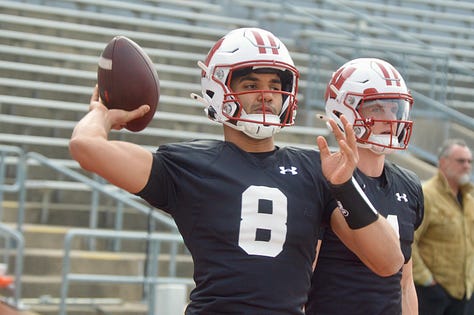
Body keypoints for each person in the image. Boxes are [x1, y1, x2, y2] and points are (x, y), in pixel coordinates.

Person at [69, 28, 403, 314]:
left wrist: (345, 187)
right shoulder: (189, 164)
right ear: (218, 88)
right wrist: (102, 113)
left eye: (275, 85)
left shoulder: (317, 169)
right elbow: (86, 148)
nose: (267, 95)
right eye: (250, 83)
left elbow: (388, 262)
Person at [305, 58, 424, 315]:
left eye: (395, 108)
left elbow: (405, 283)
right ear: (342, 112)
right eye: (377, 108)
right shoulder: (322, 178)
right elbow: (301, 278)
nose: (390, 118)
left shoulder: (409, 184)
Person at [412, 138, 474, 315]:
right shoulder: (427, 195)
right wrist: (426, 280)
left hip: (466, 293)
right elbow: (409, 241)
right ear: (442, 163)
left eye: (470, 161)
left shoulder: (469, 198)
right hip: (434, 295)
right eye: (461, 161)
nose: (467, 166)